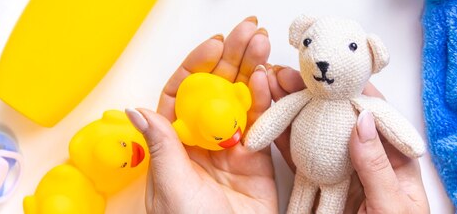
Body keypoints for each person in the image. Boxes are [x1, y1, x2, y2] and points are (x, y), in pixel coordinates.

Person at [124, 16, 429, 213]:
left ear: (371, 57)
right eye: (310, 43)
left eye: (351, 49)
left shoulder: (362, 106)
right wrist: (255, 138)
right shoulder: (303, 98)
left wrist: (411, 144)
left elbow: (394, 125)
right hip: (303, 173)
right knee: (299, 200)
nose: (322, 62)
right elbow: (280, 114)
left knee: (330, 205)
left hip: (338, 178)